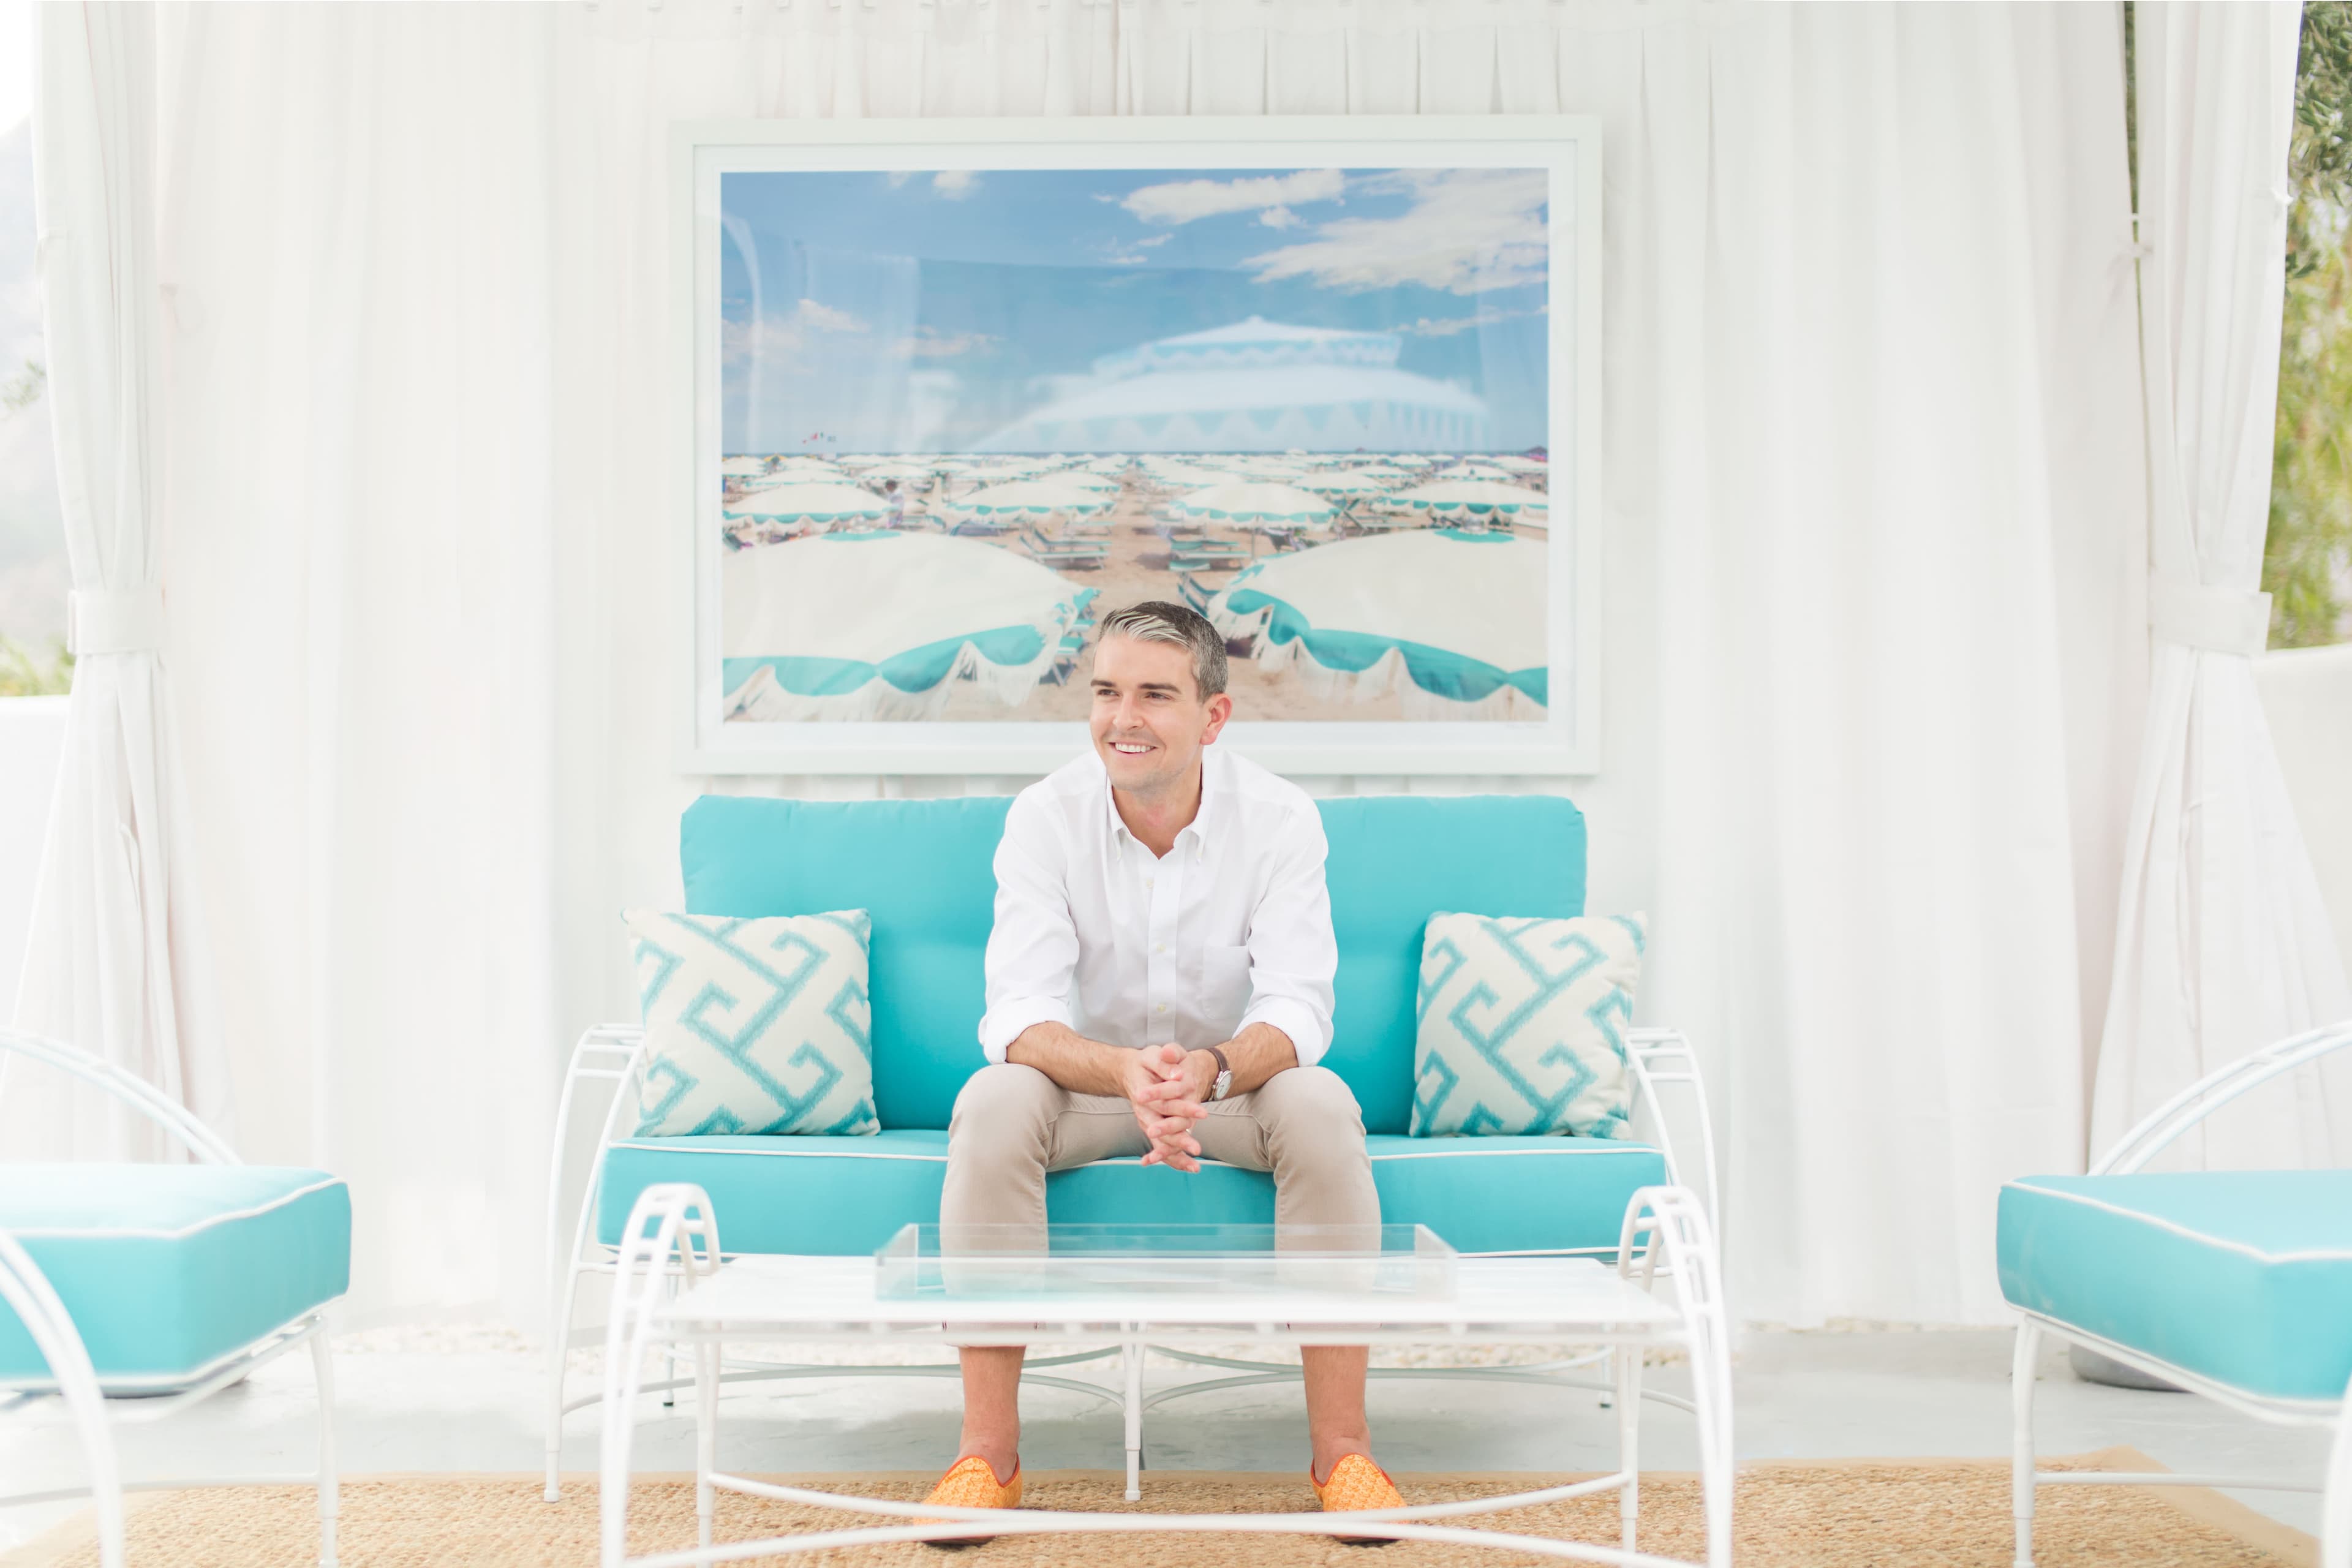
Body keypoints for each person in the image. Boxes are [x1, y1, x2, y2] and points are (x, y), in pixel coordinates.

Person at [919, 600, 1403, 1537]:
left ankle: (1344, 1453)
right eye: (1106, 692)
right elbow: (1017, 1012)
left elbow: (1299, 1007)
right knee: (992, 1099)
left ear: (1212, 718)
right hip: (1089, 1094)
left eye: (1153, 695)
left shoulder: (1281, 820)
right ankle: (988, 1456)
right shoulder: (1042, 818)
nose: (1122, 718)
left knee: (1320, 1101)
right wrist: (1125, 1072)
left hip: (1233, 1092)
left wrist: (1212, 1071)